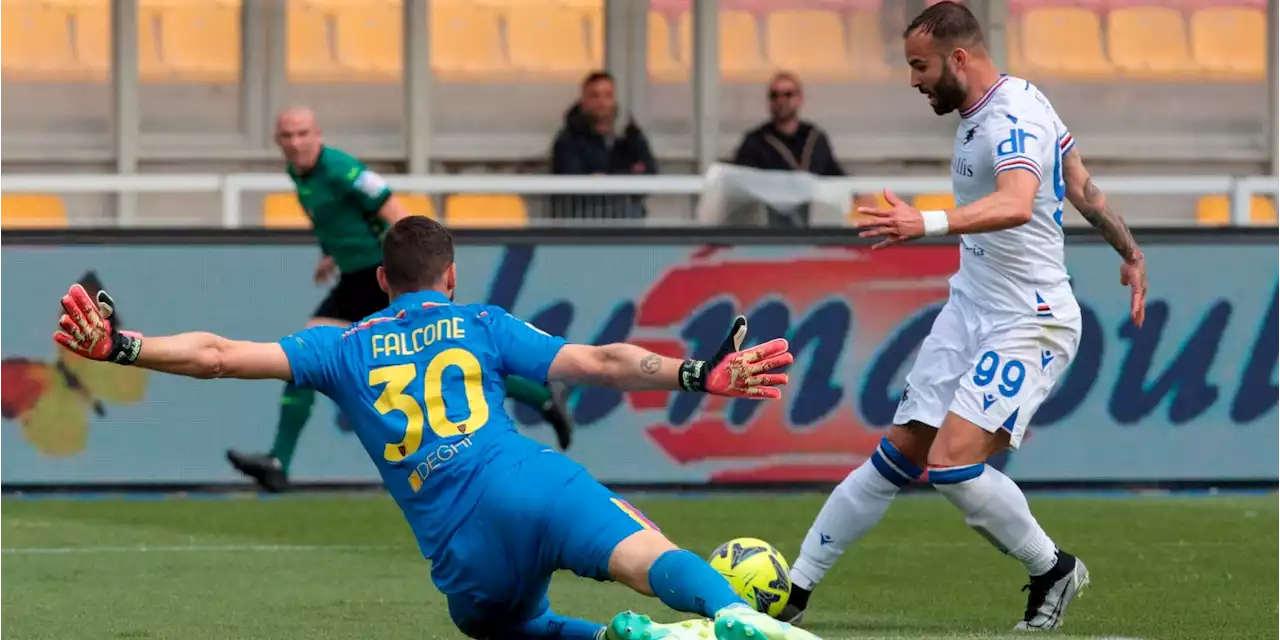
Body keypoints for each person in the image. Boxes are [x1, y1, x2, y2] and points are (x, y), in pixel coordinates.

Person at [53, 216, 820, 640]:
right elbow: (600, 360)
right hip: (531, 482)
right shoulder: (479, 322)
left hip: (463, 546)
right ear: (450, 275)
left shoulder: (340, 344)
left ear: (381, 284)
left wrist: (122, 345)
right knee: (653, 557)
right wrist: (699, 375)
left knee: (506, 628)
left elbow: (218, 356)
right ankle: (734, 616)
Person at [782, 2, 1149, 631]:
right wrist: (1132, 253)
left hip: (1028, 318)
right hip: (970, 308)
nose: (913, 79)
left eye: (920, 66)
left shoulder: (1014, 117)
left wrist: (922, 221)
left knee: (952, 465)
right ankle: (793, 590)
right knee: (896, 454)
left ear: (959, 57)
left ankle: (1052, 568)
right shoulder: (1002, 105)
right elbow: (1082, 186)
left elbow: (1015, 201)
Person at [228, 106, 574, 493]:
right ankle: (542, 396)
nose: (295, 143)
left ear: (318, 135)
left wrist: (407, 270)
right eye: (287, 136)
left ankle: (279, 460)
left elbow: (398, 214)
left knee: (309, 354)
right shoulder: (300, 172)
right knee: (314, 356)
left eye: (302, 134)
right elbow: (335, 218)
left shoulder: (343, 169)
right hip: (355, 277)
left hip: (377, 276)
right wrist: (331, 253)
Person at [550, 71, 658, 220]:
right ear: (584, 101)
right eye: (595, 96)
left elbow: (649, 174)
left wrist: (606, 180)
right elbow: (576, 186)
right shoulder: (568, 140)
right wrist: (626, 182)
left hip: (630, 227)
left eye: (608, 95)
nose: (602, 102)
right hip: (583, 227)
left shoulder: (631, 134)